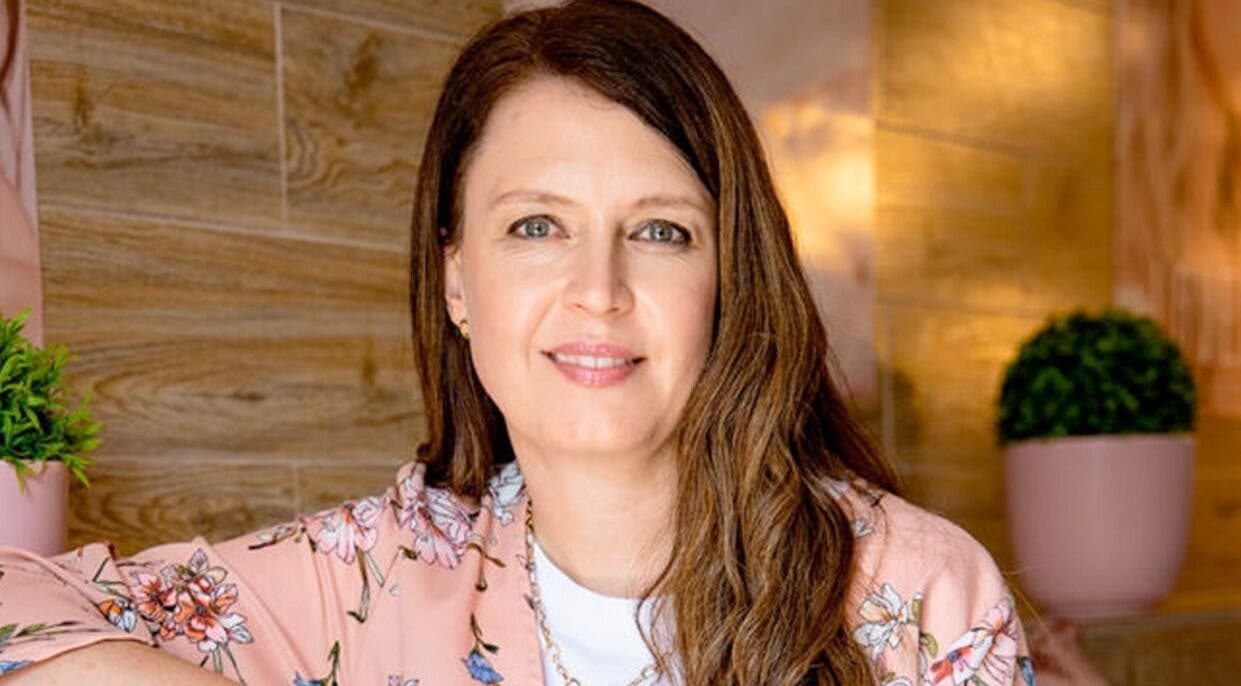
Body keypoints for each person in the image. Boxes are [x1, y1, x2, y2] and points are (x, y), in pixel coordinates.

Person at [0, 1, 1036, 684]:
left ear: (727, 280)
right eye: (535, 225)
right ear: (456, 275)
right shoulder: (366, 575)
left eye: (660, 230)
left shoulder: (913, 594)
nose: (598, 289)